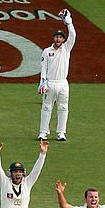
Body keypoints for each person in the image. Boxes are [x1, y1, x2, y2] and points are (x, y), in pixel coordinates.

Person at [37, 9, 76, 141]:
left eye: (60, 37)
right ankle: (43, 132)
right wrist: (42, 82)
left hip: (63, 83)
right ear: (53, 38)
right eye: (56, 37)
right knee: (46, 108)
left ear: (63, 39)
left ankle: (61, 133)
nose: (58, 39)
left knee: (63, 108)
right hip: (50, 82)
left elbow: (73, 35)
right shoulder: (47, 51)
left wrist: (68, 22)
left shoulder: (66, 48)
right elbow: (43, 67)